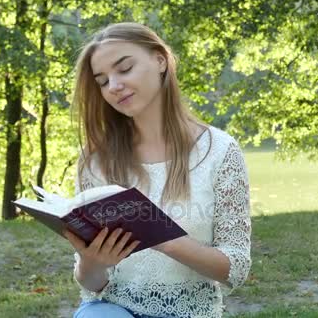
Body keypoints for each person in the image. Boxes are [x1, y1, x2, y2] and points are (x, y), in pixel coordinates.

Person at [66, 22, 251, 318]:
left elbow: (235, 268)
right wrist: (91, 261)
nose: (114, 86)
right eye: (102, 81)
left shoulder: (219, 150)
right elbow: (91, 284)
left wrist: (162, 237)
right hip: (113, 310)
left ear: (160, 60)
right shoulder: (95, 160)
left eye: (124, 68)